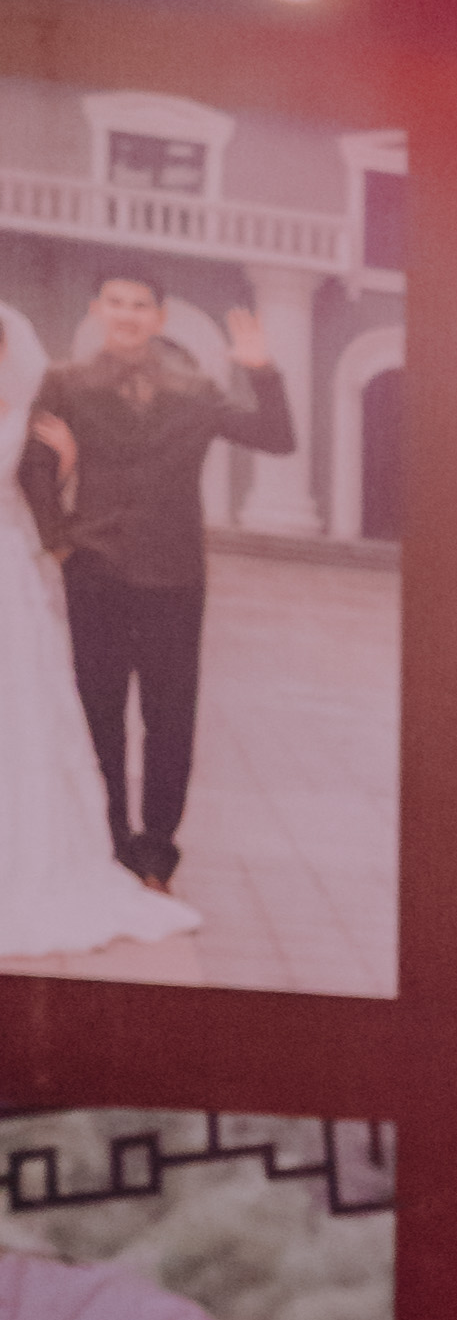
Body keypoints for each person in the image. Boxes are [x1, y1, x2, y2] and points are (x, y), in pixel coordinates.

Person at [18, 268, 294, 891]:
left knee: (171, 720)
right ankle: (113, 843)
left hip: (175, 576)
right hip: (96, 572)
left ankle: (158, 853)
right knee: (101, 713)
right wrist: (60, 540)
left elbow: (276, 438)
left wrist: (262, 371)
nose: (127, 314)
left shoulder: (196, 389)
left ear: (159, 318)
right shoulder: (65, 382)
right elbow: (35, 466)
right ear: (97, 309)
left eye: (140, 305)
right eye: (116, 302)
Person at [0, 303, 203, 953]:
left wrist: (64, 468)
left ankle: (56, 850)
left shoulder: (22, 409)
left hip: (12, 573)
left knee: (24, 712)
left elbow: (27, 478)